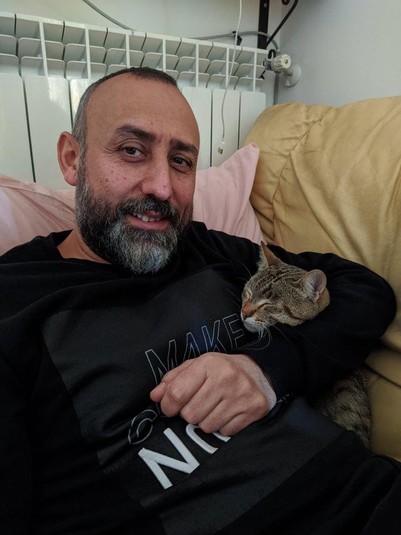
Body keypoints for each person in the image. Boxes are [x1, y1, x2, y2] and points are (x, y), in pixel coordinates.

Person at [0, 66, 399, 534]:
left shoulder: (206, 248)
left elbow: (364, 290)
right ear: (72, 159)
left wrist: (267, 370)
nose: (162, 187)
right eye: (132, 150)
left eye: (181, 161)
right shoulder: (15, 300)